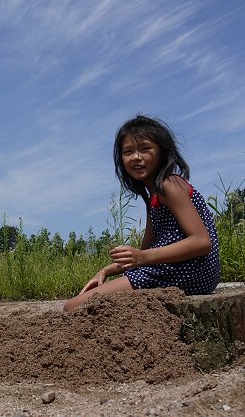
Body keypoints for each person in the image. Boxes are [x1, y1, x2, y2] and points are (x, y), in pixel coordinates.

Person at [64, 115, 220, 312]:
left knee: (73, 307)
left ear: (162, 152)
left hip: (188, 271)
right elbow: (143, 253)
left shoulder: (168, 185)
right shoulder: (153, 196)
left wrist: (142, 258)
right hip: (180, 270)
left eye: (145, 149)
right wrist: (106, 270)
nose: (136, 157)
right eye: (128, 152)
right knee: (87, 302)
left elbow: (201, 242)